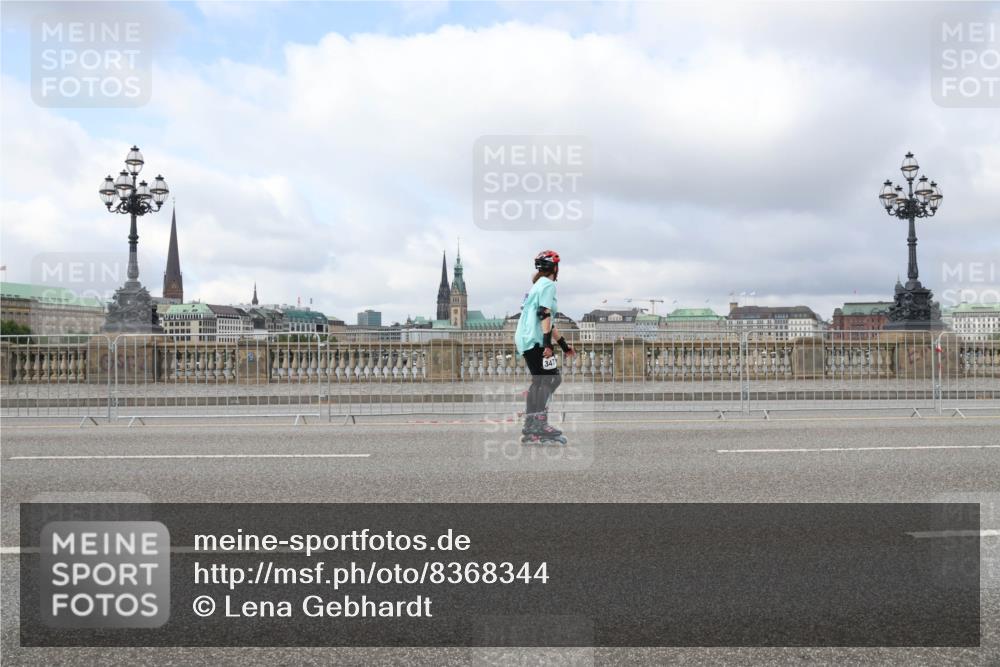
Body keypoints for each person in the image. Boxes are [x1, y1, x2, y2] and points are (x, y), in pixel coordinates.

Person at [514, 250, 575, 442]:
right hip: (535, 340)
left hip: (525, 339)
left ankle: (530, 426)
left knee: (539, 381)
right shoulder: (548, 285)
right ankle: (540, 424)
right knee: (551, 380)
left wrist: (563, 345)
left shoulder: (536, 286)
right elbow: (544, 314)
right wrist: (548, 345)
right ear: (554, 268)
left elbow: (547, 321)